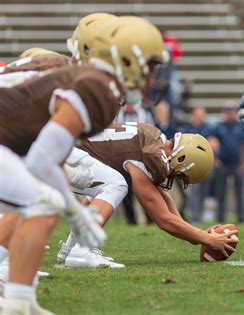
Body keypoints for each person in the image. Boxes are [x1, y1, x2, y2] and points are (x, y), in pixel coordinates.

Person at [0, 15, 166, 314]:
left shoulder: (96, 84)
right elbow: (42, 159)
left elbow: (48, 154)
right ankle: (16, 303)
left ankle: (20, 300)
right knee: (43, 203)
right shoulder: (95, 88)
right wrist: (76, 213)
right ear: (125, 58)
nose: (150, 75)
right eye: (149, 65)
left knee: (42, 203)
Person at [56, 123, 238, 268]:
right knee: (115, 184)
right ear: (182, 159)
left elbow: (163, 199)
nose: (173, 177)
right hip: (65, 153)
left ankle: (73, 248)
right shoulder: (152, 155)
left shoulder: (154, 139)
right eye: (180, 174)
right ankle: (81, 249)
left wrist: (195, 235)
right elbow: (163, 219)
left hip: (67, 149)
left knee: (104, 187)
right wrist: (207, 239)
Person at [210, 104, 244, 223]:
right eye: (227, 110)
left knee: (240, 192)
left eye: (231, 110)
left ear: (235, 111)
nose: (230, 112)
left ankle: (241, 217)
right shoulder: (219, 127)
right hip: (223, 164)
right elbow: (212, 142)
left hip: (237, 164)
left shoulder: (240, 126)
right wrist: (215, 159)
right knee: (220, 192)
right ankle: (220, 217)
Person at [179, 106, 213, 223]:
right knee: (194, 193)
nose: (200, 118)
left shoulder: (208, 129)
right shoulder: (186, 129)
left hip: (205, 165)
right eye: (198, 115)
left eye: (201, 115)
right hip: (190, 166)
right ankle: (194, 217)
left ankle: (201, 214)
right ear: (192, 116)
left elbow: (213, 144)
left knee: (204, 192)